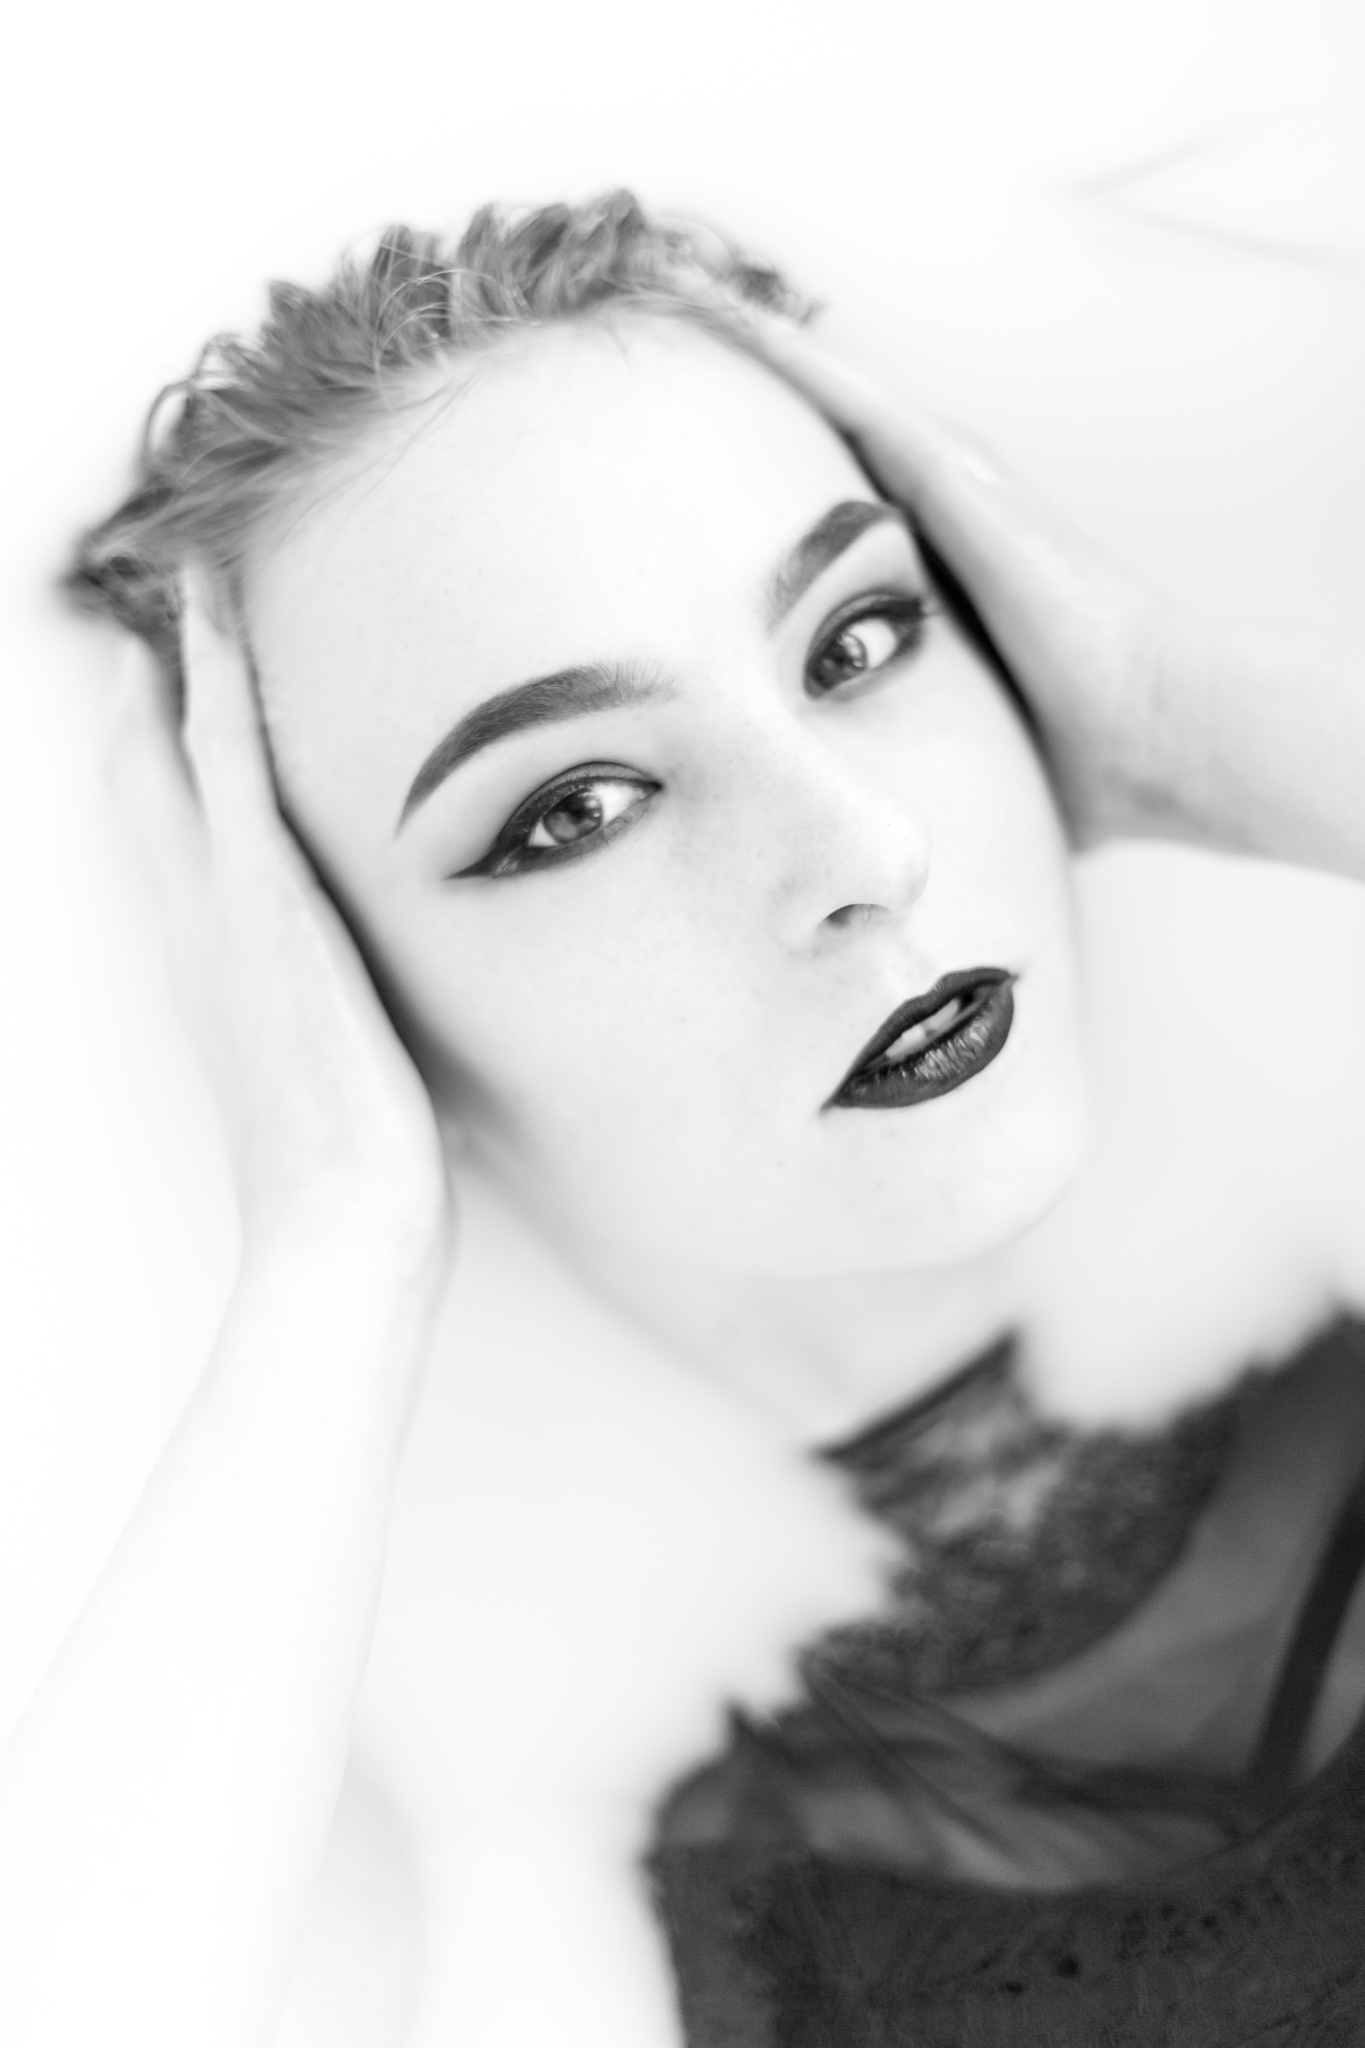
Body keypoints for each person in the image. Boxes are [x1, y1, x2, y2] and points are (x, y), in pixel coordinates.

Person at [5, 189, 1365, 2046]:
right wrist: (331, 1246)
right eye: (574, 809)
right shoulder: (464, 1852)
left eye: (858, 639)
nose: (864, 851)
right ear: (331, 993)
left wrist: (1181, 718)